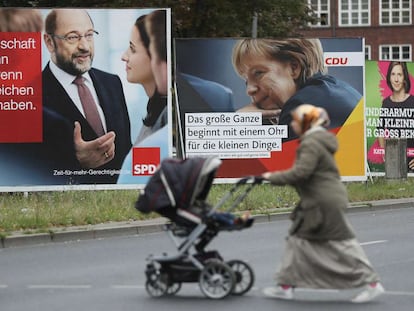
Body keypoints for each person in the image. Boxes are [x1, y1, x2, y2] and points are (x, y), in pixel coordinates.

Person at [261, 104, 384, 303]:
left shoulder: (311, 143)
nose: (293, 123)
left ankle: (371, 283)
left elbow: (302, 172)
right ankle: (285, 285)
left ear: (306, 122)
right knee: (298, 240)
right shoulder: (317, 140)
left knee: (340, 243)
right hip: (320, 200)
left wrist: (271, 176)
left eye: (296, 120)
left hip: (322, 201)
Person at [41, 9, 132, 184]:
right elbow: (22, 166)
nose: (84, 46)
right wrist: (76, 162)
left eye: (89, 35)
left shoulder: (112, 82)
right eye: (73, 37)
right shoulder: (29, 95)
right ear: (49, 42)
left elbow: (125, 148)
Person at [232, 38, 361, 137]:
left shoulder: (301, 106)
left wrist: (238, 125)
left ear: (294, 68)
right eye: (246, 80)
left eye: (258, 73)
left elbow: (275, 169)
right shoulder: (338, 89)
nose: (249, 90)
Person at [377, 61, 414, 171]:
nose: (396, 79)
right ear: (389, 77)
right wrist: (384, 153)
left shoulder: (413, 101)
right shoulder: (386, 103)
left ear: (405, 77)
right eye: (393, 74)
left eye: (400, 74)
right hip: (394, 163)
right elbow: (380, 130)